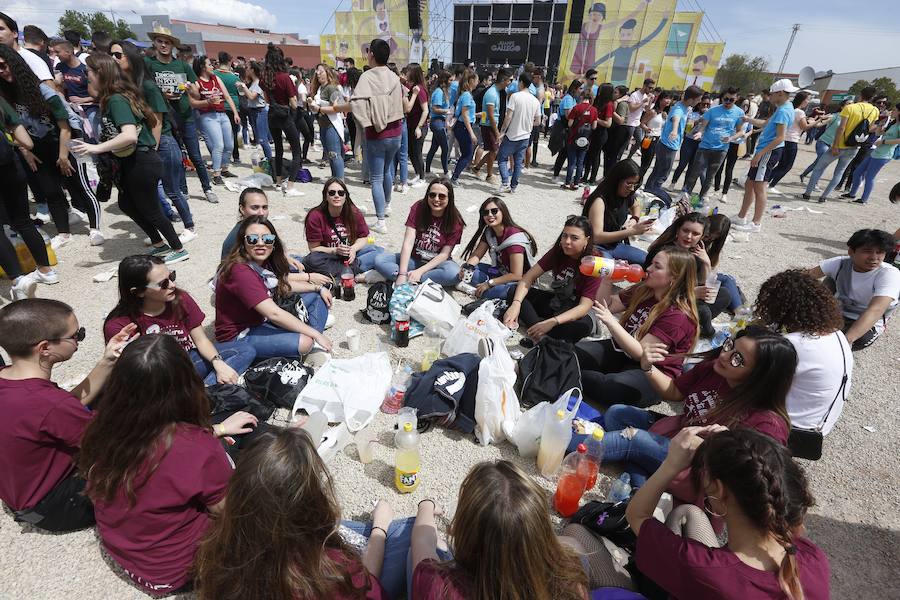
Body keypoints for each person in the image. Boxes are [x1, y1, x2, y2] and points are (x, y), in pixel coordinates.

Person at [77, 334, 258, 594]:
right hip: (178, 570)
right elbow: (229, 511)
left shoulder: (101, 425)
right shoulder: (194, 446)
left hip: (126, 553)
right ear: (187, 382)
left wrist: (215, 430)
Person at [195, 427, 418, 599]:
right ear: (310, 504)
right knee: (413, 531)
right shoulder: (326, 568)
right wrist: (380, 528)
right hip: (333, 576)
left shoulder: (219, 544)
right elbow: (366, 586)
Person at [573, 325, 795, 488]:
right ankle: (640, 480)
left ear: (760, 376)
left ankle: (570, 447)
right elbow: (675, 392)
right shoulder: (714, 369)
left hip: (698, 468)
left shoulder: (766, 421)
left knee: (632, 439)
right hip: (677, 432)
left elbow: (765, 478)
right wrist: (648, 368)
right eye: (729, 346)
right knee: (617, 413)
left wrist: (729, 445)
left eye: (738, 358)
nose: (725, 355)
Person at [625, 428, 830, 599]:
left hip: (709, 582)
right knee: (688, 513)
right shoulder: (812, 557)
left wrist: (671, 464)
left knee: (594, 549)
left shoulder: (700, 567)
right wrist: (736, 451)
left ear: (718, 490)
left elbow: (637, 515)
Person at [0, 299, 134, 532]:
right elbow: (109, 444)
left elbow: (59, 409)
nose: (79, 340)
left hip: (24, 495)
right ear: (44, 348)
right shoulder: (50, 404)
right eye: (76, 336)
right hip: (58, 506)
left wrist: (108, 359)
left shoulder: (9, 378)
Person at [71, 52, 189, 265]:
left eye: (88, 71)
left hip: (141, 161)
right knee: (126, 203)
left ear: (100, 73)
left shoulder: (117, 99)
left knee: (150, 208)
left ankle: (178, 248)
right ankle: (158, 244)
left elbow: (129, 135)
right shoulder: (112, 98)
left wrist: (95, 148)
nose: (85, 75)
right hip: (133, 162)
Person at [409, 460, 588, 599]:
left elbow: (422, 539)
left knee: (416, 553)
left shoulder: (440, 588)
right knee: (572, 545)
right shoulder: (569, 578)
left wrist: (427, 505)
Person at [575, 245, 698, 408]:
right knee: (573, 354)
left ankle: (570, 374)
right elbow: (607, 305)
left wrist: (611, 322)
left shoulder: (678, 315)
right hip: (621, 350)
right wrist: (607, 281)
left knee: (609, 387)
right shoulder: (645, 289)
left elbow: (641, 353)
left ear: (673, 278)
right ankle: (570, 370)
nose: (648, 268)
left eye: (657, 266)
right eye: (652, 263)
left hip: (652, 371)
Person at [104, 255, 256, 386]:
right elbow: (133, 377)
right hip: (157, 379)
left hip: (187, 360)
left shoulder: (180, 298)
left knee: (245, 350)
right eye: (163, 284)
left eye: (171, 276)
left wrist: (218, 363)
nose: (172, 285)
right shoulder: (119, 325)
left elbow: (201, 340)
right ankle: (200, 395)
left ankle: (205, 392)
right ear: (139, 292)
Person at [111, 39, 196, 243]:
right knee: (152, 192)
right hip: (146, 146)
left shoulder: (147, 86)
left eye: (117, 55)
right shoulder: (127, 86)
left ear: (130, 57)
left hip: (161, 142)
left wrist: (153, 148)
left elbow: (157, 120)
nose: (112, 59)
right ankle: (165, 232)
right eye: (110, 55)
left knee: (172, 190)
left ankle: (189, 227)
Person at [215, 216, 333, 360]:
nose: (260, 244)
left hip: (261, 319)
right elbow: (274, 314)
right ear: (243, 242)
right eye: (252, 239)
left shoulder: (263, 261)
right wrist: (315, 335)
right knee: (305, 342)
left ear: (273, 242)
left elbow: (280, 285)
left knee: (318, 296)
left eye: (267, 239)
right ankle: (311, 341)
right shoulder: (240, 271)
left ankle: (310, 341)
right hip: (240, 335)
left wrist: (317, 288)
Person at [0, 44, 81, 252]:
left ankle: (95, 227)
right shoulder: (5, 95)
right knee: (51, 191)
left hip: (60, 143)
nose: (1, 71)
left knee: (77, 188)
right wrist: (26, 151)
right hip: (36, 150)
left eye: (3, 66)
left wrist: (63, 156)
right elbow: (12, 129)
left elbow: (64, 125)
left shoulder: (42, 90)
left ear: (14, 64)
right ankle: (64, 232)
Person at [755, 270, 853, 435]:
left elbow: (753, 379)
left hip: (791, 426)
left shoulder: (794, 344)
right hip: (820, 422)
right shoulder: (836, 333)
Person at [142, 25, 218, 204]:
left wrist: (192, 90)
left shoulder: (182, 65)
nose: (163, 45)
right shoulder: (148, 64)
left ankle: (207, 188)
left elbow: (197, 94)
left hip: (185, 115)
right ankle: (182, 191)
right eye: (159, 41)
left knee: (196, 157)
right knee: (175, 159)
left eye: (167, 42)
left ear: (172, 45)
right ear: (154, 43)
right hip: (163, 118)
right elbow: (144, 89)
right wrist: (162, 95)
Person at [503, 216, 600, 344]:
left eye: (574, 238)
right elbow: (528, 277)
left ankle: (539, 329)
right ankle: (541, 332)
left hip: (576, 312)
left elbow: (584, 306)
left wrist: (553, 321)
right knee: (514, 291)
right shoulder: (558, 251)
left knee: (580, 327)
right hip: (557, 302)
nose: (567, 241)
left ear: (587, 240)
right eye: (564, 236)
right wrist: (516, 304)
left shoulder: (595, 262)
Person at [0, 94, 56, 299]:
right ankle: (46, 271)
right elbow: (27, 142)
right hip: (10, 167)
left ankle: (18, 279)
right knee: (23, 220)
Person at [805, 229, 899, 350]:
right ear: (851, 251)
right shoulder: (840, 263)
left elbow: (876, 309)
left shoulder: (889, 274)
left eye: (880, 252)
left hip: (869, 321)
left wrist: (846, 341)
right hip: (838, 312)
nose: (874, 257)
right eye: (867, 251)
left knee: (849, 341)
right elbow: (802, 278)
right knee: (830, 279)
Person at [645, 213, 732, 337]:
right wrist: (690, 293)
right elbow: (652, 287)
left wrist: (706, 263)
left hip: (685, 296)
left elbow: (703, 282)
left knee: (724, 294)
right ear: (678, 230)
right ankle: (705, 332)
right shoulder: (664, 252)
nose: (689, 236)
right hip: (662, 299)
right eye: (685, 231)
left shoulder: (696, 252)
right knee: (703, 311)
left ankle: (691, 326)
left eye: (695, 234)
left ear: (703, 236)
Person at [350, 39, 404, 234]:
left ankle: (380, 221)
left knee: (376, 177)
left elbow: (356, 103)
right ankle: (387, 206)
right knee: (388, 170)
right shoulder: (394, 77)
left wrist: (367, 122)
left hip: (376, 134)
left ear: (371, 53)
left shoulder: (367, 77)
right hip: (396, 132)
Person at [733, 79, 798, 233]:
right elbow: (765, 124)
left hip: (768, 152)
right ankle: (742, 216)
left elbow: (780, 137)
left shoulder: (783, 111)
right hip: (766, 150)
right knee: (750, 183)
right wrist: (748, 119)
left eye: (772, 94)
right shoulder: (783, 108)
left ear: (780, 93)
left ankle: (756, 223)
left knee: (759, 187)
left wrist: (759, 154)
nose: (769, 97)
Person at [374, 178, 464, 286]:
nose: (436, 199)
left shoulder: (456, 221)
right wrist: (402, 273)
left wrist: (420, 272)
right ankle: (408, 277)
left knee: (454, 274)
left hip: (437, 264)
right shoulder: (419, 207)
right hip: (414, 259)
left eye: (442, 196)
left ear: (450, 198)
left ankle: (408, 278)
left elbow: (444, 254)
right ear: (427, 195)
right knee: (380, 260)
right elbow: (408, 242)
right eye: (432, 195)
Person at [801, 86, 879, 203]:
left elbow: (841, 128)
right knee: (839, 172)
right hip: (854, 147)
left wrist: (835, 145)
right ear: (872, 97)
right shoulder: (875, 111)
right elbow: (871, 128)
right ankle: (824, 196)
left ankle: (807, 194)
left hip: (840, 145)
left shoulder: (850, 108)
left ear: (860, 95)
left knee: (819, 168)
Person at [304, 177, 384, 280]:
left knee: (378, 251)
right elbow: (314, 248)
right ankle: (354, 271)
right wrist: (335, 250)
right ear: (326, 196)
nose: (337, 196)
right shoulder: (315, 216)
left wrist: (353, 249)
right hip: (329, 256)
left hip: (351, 255)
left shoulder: (354, 212)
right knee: (311, 260)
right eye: (332, 193)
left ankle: (347, 270)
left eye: (341, 193)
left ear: (345, 196)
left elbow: (364, 237)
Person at [458, 197, 537, 301]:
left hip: (517, 282)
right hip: (498, 271)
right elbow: (477, 254)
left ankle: (482, 290)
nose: (490, 215)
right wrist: (467, 267)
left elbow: (516, 275)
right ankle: (484, 289)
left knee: (508, 291)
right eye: (486, 212)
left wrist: (490, 283)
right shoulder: (489, 232)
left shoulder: (514, 240)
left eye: (494, 211)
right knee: (471, 269)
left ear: (503, 212)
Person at [677, 87, 745, 206]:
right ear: (722, 98)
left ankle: (701, 198)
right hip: (705, 147)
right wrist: (700, 133)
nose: (728, 102)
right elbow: (703, 126)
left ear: (736, 99)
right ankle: (685, 195)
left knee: (710, 176)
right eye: (726, 99)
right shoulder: (713, 111)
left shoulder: (739, 113)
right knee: (695, 172)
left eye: (731, 100)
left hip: (721, 149)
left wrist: (731, 138)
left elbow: (740, 132)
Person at [582, 159, 652, 264]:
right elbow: (596, 237)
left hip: (614, 245)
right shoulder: (600, 200)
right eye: (629, 183)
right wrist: (632, 231)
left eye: (635, 185)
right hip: (596, 246)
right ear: (617, 180)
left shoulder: (625, 194)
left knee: (649, 261)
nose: (632, 188)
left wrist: (634, 219)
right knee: (607, 271)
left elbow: (636, 205)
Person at [644, 85, 704, 206]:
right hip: (668, 146)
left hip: (666, 144)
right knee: (663, 173)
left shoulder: (684, 107)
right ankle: (654, 193)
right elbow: (675, 119)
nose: (699, 102)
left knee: (658, 170)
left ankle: (648, 190)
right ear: (691, 99)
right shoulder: (679, 109)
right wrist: (675, 130)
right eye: (698, 99)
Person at [260, 44, 305, 197]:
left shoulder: (265, 77)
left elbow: (266, 99)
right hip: (285, 116)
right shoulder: (285, 77)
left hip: (272, 115)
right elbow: (293, 102)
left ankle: (278, 182)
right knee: (296, 150)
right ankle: (290, 185)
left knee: (278, 149)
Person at [193, 55, 240, 184]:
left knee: (229, 144)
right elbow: (193, 102)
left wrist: (235, 113)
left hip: (222, 114)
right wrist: (207, 101)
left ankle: (224, 168)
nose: (212, 67)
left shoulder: (216, 78)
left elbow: (227, 97)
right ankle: (216, 173)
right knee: (218, 145)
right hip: (208, 116)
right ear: (202, 67)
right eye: (209, 65)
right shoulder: (197, 83)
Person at [842, 102, 900, 204]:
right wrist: (880, 125)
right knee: (857, 172)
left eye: (895, 110)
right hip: (876, 152)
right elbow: (878, 133)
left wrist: (883, 142)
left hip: (884, 155)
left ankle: (863, 200)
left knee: (869, 177)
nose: (892, 111)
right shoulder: (893, 123)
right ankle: (852, 194)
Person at [496, 71, 542, 194]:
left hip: (512, 135)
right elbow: (538, 121)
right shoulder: (535, 101)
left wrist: (502, 132)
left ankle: (505, 182)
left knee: (501, 158)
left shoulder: (515, 97)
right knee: (518, 163)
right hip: (525, 136)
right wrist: (527, 123)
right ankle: (513, 186)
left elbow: (508, 117)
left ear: (521, 82)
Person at [767, 91, 823, 191]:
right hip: (791, 141)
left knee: (781, 164)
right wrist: (819, 120)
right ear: (802, 100)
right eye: (807, 99)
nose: (808, 101)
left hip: (785, 139)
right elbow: (805, 127)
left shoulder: (791, 109)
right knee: (787, 166)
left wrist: (818, 120)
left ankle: (767, 182)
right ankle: (770, 184)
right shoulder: (799, 112)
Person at [308, 63, 347, 180]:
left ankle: (340, 181)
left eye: (321, 71)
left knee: (334, 154)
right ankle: (335, 179)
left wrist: (319, 108)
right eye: (317, 72)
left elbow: (338, 107)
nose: (318, 74)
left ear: (327, 73)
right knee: (330, 155)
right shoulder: (320, 89)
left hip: (332, 125)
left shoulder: (331, 88)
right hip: (323, 124)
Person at [470, 68, 509, 184]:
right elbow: (491, 116)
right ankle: (489, 175)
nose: (510, 83)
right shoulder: (491, 93)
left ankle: (476, 168)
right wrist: (497, 133)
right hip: (488, 125)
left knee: (494, 151)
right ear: (504, 80)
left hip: (492, 125)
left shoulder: (499, 92)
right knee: (493, 151)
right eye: (509, 80)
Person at [237, 61, 272, 165]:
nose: (246, 70)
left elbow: (252, 96)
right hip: (254, 111)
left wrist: (243, 86)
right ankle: (268, 160)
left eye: (248, 68)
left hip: (260, 111)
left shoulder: (258, 83)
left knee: (262, 139)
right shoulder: (253, 82)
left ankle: (270, 162)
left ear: (252, 69)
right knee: (260, 138)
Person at [563, 90, 598, 190]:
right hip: (585, 140)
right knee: (580, 162)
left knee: (571, 162)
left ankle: (567, 182)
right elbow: (594, 126)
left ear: (582, 97)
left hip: (574, 138)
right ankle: (576, 183)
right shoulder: (594, 110)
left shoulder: (576, 108)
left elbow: (570, 124)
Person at [449, 68, 479, 186]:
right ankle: (455, 177)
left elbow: (465, 113)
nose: (477, 83)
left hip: (462, 126)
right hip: (463, 127)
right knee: (467, 154)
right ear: (471, 81)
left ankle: (455, 175)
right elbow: (465, 115)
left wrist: (476, 114)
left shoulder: (465, 94)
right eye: (476, 80)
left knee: (466, 153)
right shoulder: (467, 95)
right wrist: (471, 133)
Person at [583, 82, 615, 184]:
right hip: (593, 130)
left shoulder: (609, 104)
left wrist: (595, 119)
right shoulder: (597, 100)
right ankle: (584, 176)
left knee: (595, 155)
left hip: (601, 132)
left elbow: (608, 123)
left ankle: (592, 178)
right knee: (588, 154)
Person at [213, 52, 242, 164]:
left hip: (218, 106)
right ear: (229, 61)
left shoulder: (214, 75)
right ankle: (235, 156)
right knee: (233, 133)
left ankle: (221, 156)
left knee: (219, 134)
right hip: (233, 106)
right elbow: (240, 92)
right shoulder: (234, 77)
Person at [635, 91, 671, 183]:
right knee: (645, 164)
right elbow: (641, 123)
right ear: (660, 99)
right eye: (666, 98)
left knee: (649, 163)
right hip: (649, 139)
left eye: (670, 99)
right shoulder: (653, 112)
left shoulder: (664, 113)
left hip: (658, 140)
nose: (668, 101)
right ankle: (636, 181)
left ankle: (638, 181)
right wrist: (647, 128)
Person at [403, 63, 428, 186]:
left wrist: (419, 127)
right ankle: (418, 174)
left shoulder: (419, 89)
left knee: (417, 152)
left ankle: (422, 178)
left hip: (419, 126)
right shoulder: (412, 87)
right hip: (411, 125)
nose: (406, 74)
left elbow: (425, 110)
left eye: (408, 71)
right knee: (411, 152)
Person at [425, 69, 451, 176]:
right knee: (445, 148)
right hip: (437, 122)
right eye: (450, 80)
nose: (451, 82)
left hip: (440, 122)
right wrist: (447, 111)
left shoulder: (443, 91)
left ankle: (427, 170)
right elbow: (435, 108)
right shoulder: (438, 92)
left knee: (434, 147)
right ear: (444, 81)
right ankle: (445, 171)